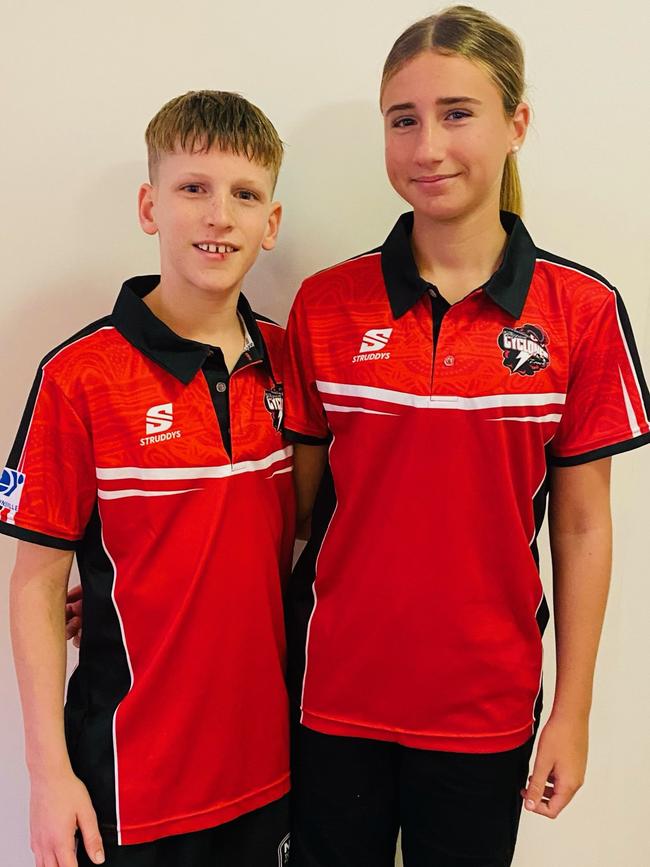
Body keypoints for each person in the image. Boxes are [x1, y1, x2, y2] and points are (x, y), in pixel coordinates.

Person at [282, 6, 650, 866]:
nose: (426, 146)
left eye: (457, 113)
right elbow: (286, 514)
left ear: (517, 124)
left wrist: (573, 710)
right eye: (403, 119)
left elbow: (585, 525)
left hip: (486, 707)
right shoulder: (325, 307)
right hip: (330, 696)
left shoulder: (581, 311)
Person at [3, 90, 295, 867]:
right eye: (192, 187)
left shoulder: (289, 361)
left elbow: (296, 526)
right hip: (130, 782)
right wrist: (45, 775)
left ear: (270, 224)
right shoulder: (79, 377)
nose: (217, 215)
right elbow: (35, 580)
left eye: (244, 194)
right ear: (149, 205)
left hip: (271, 769)